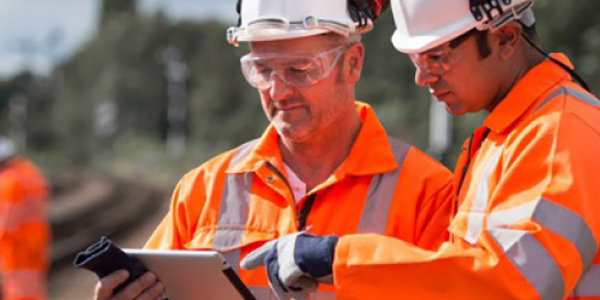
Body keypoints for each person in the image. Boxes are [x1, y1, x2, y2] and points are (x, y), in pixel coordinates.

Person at [93, 0, 457, 299]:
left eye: (300, 69)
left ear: (353, 63)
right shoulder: (203, 190)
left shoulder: (428, 193)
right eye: (262, 71)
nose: (278, 91)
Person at [241, 0, 600, 299]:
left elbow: (511, 284)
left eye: (437, 57)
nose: (422, 77)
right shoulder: (513, 134)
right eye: (417, 60)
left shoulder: (559, 133)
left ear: (506, 37)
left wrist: (337, 258)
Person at [0, 136, 50, 300]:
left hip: (17, 247)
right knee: (33, 287)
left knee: (18, 290)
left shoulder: (9, 181)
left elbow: (6, 223)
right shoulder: (29, 171)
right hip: (36, 240)